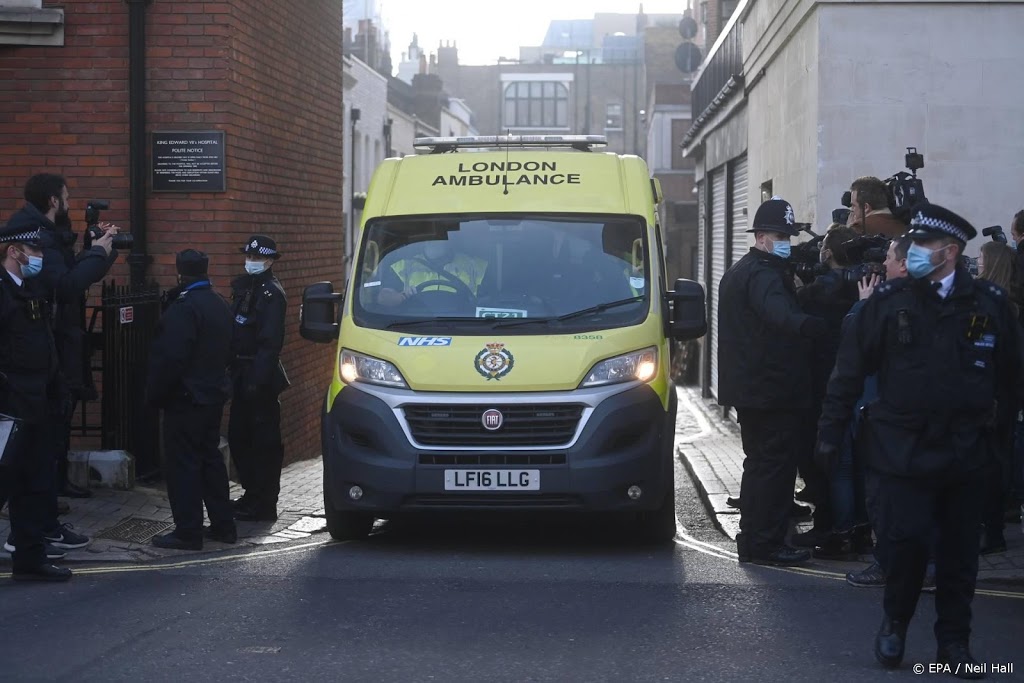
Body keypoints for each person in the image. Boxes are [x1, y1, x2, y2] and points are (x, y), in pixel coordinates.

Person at [817, 204, 1024, 675]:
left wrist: (998, 445)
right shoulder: (890, 302)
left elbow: (1011, 377)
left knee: (959, 555)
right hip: (903, 451)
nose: (911, 252)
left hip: (966, 450)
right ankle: (895, 622)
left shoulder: (988, 304)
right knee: (906, 543)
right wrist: (830, 430)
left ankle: (954, 643)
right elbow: (848, 372)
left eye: (922, 245)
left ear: (949, 253)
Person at [717, 197, 828, 566]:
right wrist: (821, 328)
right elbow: (782, 317)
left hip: (753, 388)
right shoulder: (763, 275)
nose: (786, 242)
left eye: (788, 236)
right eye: (780, 236)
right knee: (774, 468)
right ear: (761, 237)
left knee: (760, 464)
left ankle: (754, 540)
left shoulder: (742, 270)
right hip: (771, 389)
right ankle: (766, 543)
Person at [7, 174, 118, 501]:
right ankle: (44, 494)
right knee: (46, 421)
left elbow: (66, 275)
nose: (69, 204)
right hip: (47, 340)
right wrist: (97, 254)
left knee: (59, 412)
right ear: (54, 200)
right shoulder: (36, 235)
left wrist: (98, 251)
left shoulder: (44, 233)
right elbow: (65, 286)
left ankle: (54, 485)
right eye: (66, 198)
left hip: (56, 336)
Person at [146, 250, 236, 550]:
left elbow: (170, 359)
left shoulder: (184, 308)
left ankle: (188, 531)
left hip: (185, 399)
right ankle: (223, 525)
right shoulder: (219, 304)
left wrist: (155, 395)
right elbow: (231, 350)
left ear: (180, 274)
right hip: (212, 396)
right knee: (210, 460)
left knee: (182, 466)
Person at [0, 223, 72, 581]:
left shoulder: (30, 289)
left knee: (32, 483)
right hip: (8, 406)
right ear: (14, 251)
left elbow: (43, 343)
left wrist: (56, 389)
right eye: (36, 251)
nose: (40, 257)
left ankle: (30, 559)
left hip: (36, 402)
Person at [229, 235, 289, 522]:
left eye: (257, 258)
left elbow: (270, 342)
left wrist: (257, 380)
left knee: (263, 443)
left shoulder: (271, 293)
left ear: (269, 261)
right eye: (248, 256)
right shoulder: (246, 287)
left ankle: (264, 503)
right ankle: (251, 494)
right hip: (241, 372)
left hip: (259, 376)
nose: (251, 261)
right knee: (239, 438)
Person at [975, 240, 1018, 555]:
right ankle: (995, 529)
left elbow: (976, 347)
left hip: (987, 394)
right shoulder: (1013, 305)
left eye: (980, 258)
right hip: (1008, 393)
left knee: (984, 464)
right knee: (1000, 461)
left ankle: (989, 530)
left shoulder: (983, 305)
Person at [376, 239, 487, 307]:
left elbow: (491, 300)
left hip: (466, 323)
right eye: (430, 236)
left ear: (449, 240)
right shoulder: (402, 266)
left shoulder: (475, 266)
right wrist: (401, 296)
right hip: (414, 324)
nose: (432, 240)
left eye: (439, 236)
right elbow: (383, 298)